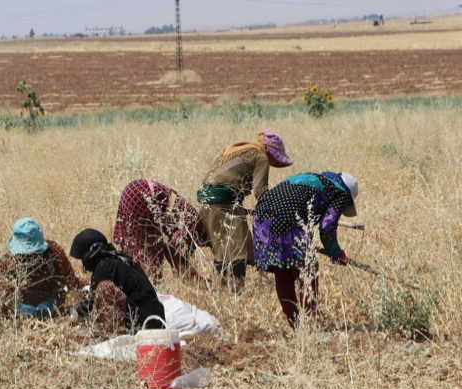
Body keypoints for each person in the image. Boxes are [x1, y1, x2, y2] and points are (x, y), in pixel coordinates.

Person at [252, 172, 358, 328]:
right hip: (287, 219)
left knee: (282, 270)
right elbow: (327, 226)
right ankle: (309, 324)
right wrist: (336, 253)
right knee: (308, 268)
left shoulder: (316, 179)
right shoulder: (341, 192)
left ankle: (296, 326)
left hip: (261, 215)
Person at [197, 130, 293, 293]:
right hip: (225, 202)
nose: (271, 162)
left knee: (221, 247)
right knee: (238, 247)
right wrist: (274, 210)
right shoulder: (260, 156)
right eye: (273, 158)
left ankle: (219, 289)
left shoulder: (233, 149)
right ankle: (237, 291)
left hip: (206, 202)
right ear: (269, 150)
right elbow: (260, 191)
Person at [70, 228, 165, 335]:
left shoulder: (105, 266)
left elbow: (91, 304)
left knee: (104, 288)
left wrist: (74, 315)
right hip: (154, 320)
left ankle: (113, 339)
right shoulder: (120, 259)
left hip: (145, 324)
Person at [113, 179, 209, 282]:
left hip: (132, 191)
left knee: (134, 247)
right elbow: (171, 249)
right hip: (142, 198)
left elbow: (172, 250)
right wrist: (192, 275)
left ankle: (131, 280)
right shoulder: (194, 224)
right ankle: (150, 285)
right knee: (149, 257)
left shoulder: (192, 219)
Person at [0, 218, 85, 319]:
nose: (30, 255)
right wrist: (20, 308)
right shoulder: (7, 263)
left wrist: (56, 301)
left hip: (53, 308)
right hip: (21, 316)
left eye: (34, 252)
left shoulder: (54, 253)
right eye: (26, 253)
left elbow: (70, 281)